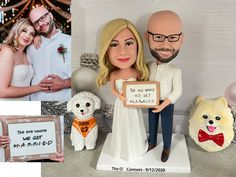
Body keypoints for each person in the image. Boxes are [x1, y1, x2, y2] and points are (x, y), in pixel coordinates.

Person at [97, 18, 149, 161]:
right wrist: (120, 97)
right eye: (114, 44)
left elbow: (143, 89)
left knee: (134, 124)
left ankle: (136, 146)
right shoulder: (114, 74)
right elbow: (113, 90)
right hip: (121, 104)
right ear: (105, 50)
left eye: (129, 43)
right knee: (122, 126)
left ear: (138, 45)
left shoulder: (136, 73)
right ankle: (122, 149)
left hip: (134, 106)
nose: (123, 51)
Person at [145, 10, 183, 162]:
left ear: (181, 39)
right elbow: (142, 81)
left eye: (173, 38)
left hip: (167, 104)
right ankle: (152, 142)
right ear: (147, 37)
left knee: (167, 126)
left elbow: (178, 91)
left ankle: (166, 147)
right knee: (151, 123)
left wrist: (164, 104)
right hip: (150, 101)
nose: (165, 45)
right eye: (159, 37)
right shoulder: (149, 66)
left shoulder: (175, 70)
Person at [27, 6, 71, 101]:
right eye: (36, 23)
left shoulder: (71, 41)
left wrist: (65, 83)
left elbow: (85, 75)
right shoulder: (30, 47)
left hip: (66, 103)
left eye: (42, 18)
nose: (41, 24)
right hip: (38, 105)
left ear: (50, 15)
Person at [0, 18, 47, 100]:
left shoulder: (26, 53)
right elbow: (2, 92)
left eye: (32, 34)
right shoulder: (8, 51)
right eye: (24, 31)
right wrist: (38, 87)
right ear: (16, 30)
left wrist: (38, 36)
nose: (27, 36)